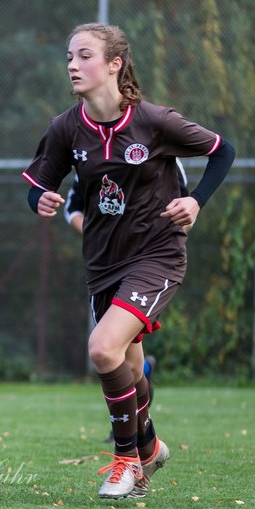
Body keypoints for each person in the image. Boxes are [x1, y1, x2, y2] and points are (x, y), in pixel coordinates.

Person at [23, 23, 234, 499]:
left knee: (101, 350)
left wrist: (196, 200)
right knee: (130, 373)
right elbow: (39, 184)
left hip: (156, 254)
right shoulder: (65, 127)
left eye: (84, 56)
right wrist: (39, 200)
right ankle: (150, 444)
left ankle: (128, 466)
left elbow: (223, 151)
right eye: (69, 57)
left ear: (115, 64)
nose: (72, 65)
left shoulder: (153, 121)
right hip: (102, 263)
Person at [65, 163, 187, 441]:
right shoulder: (92, 154)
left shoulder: (164, 152)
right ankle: (143, 381)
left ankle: (128, 440)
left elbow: (185, 209)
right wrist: (101, 235)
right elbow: (72, 208)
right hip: (106, 267)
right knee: (119, 355)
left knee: (106, 348)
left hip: (149, 266)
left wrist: (162, 249)